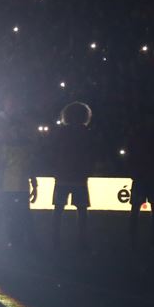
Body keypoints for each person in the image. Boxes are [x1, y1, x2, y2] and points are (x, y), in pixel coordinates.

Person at [0, 94, 38, 252]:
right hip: (1, 171)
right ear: (6, 105)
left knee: (15, 209)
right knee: (0, 207)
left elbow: (32, 143)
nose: (14, 108)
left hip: (16, 172)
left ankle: (13, 240)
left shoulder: (22, 122)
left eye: (16, 105)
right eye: (11, 105)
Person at [50, 102, 93, 251]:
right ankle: (82, 240)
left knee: (58, 209)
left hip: (63, 175)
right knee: (81, 210)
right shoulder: (86, 132)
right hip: (79, 177)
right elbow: (90, 154)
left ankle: (56, 239)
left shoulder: (61, 133)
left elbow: (54, 152)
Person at [125, 114, 154, 251]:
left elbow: (130, 156)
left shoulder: (136, 137)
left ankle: (132, 238)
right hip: (152, 177)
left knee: (136, 208)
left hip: (141, 177)